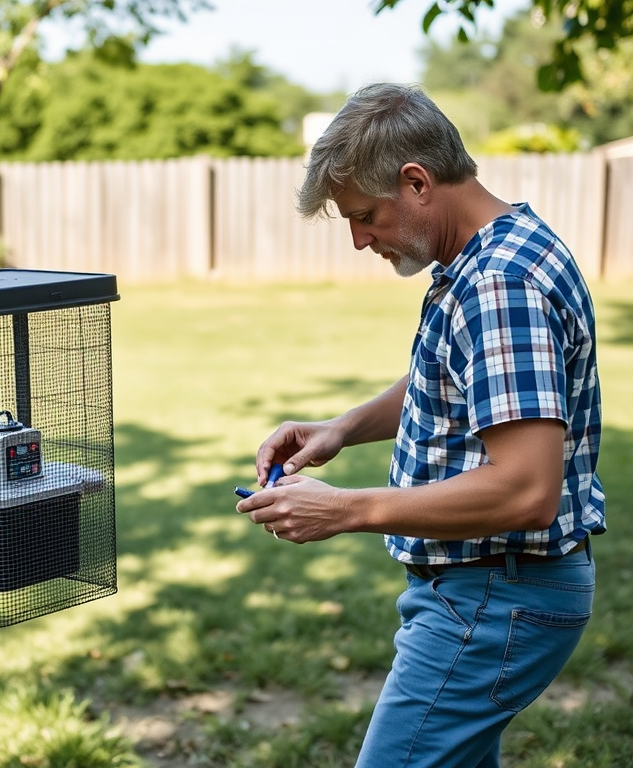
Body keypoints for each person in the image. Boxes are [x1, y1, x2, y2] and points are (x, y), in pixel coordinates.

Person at [235, 83, 605, 768]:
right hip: (491, 592)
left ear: (417, 181)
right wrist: (341, 427)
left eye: (365, 215)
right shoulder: (491, 254)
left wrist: (346, 509)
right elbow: (463, 378)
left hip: (495, 599)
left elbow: (527, 490)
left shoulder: (500, 284)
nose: (357, 239)